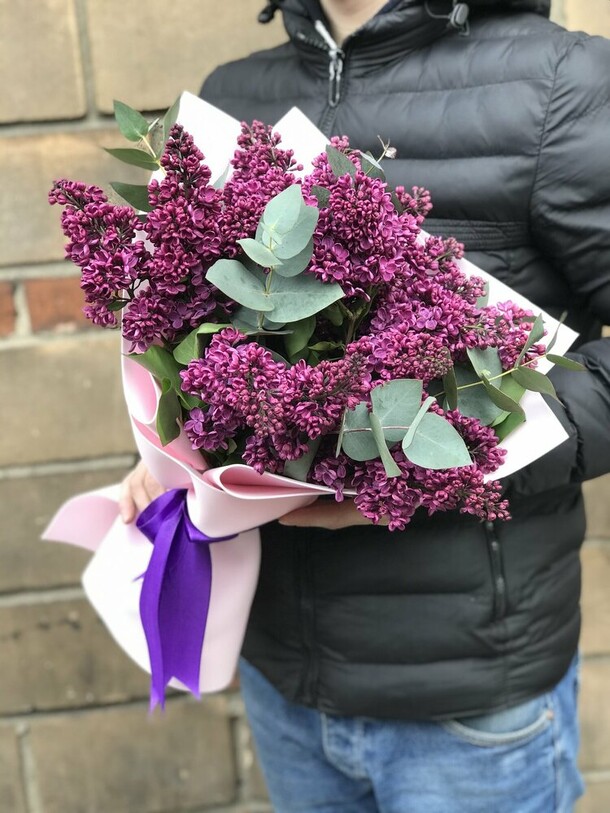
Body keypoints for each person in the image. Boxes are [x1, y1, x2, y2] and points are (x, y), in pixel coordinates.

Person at [121, 1, 610, 810]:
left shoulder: (560, 83)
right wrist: (171, 455)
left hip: (467, 700)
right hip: (285, 680)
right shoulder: (234, 94)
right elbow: (193, 338)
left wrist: (441, 461)